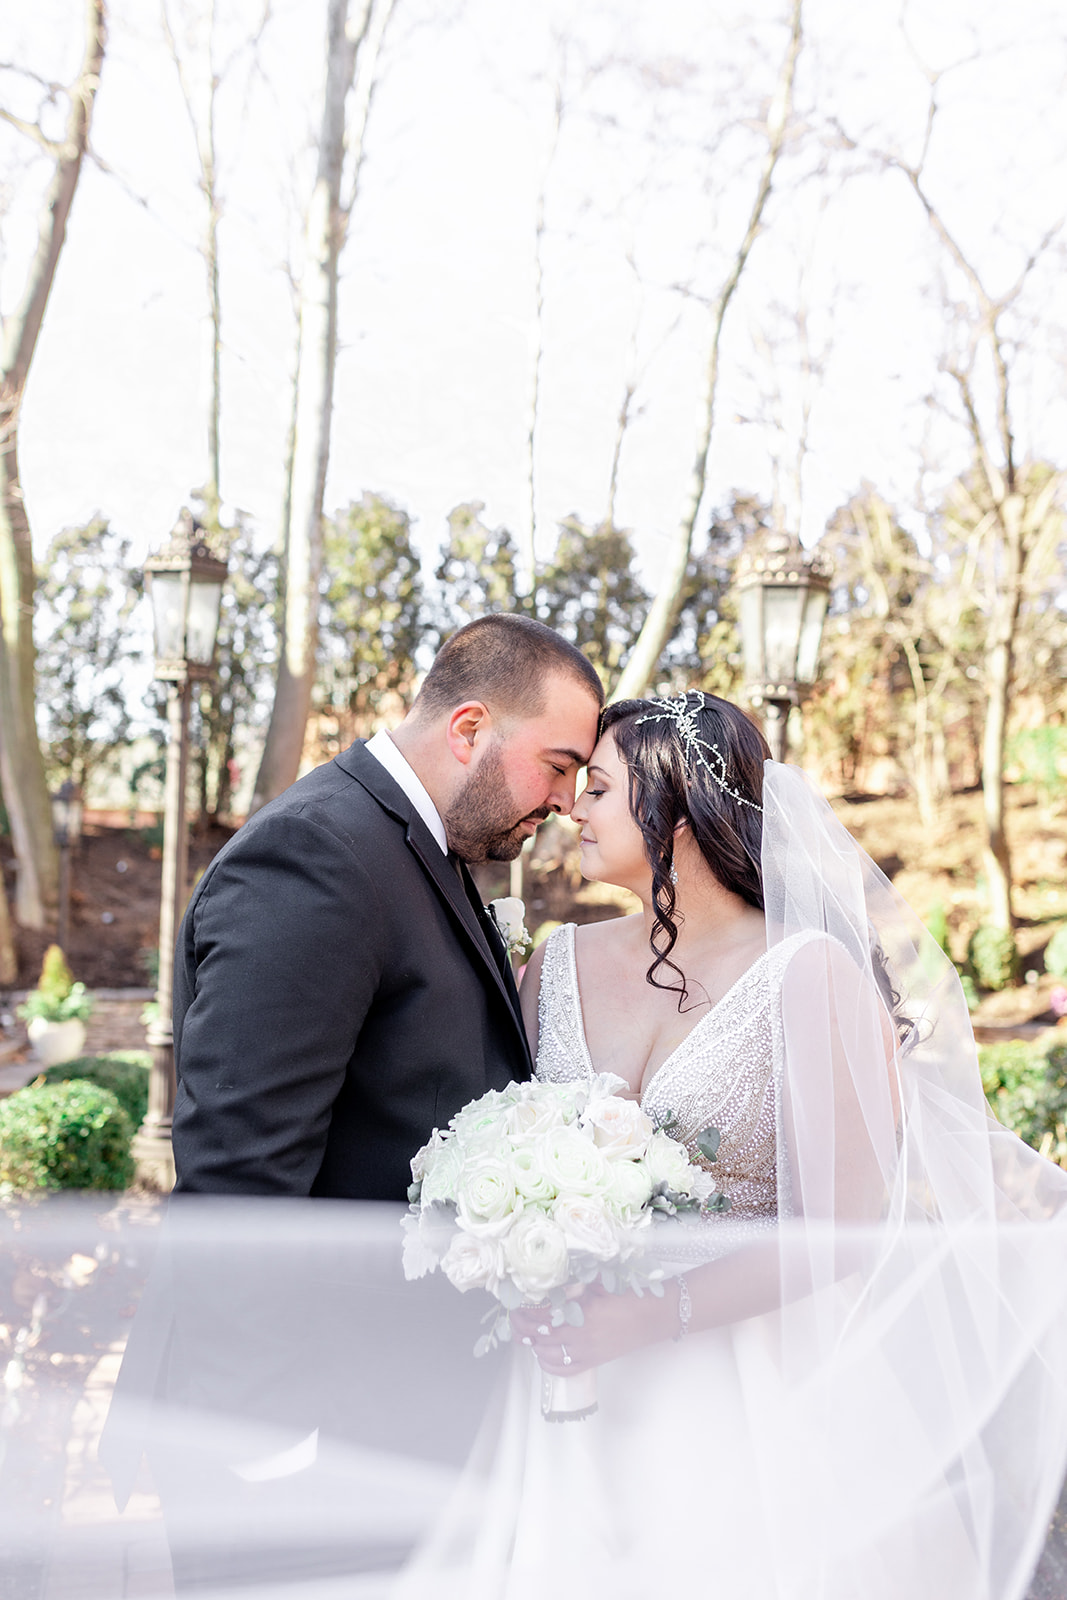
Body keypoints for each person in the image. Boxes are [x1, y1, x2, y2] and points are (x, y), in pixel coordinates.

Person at [393, 690, 1067, 1600]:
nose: (571, 808)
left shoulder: (806, 975)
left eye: (598, 787)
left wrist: (653, 1314)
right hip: (559, 1393)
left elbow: (841, 1231)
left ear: (672, 812)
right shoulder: (552, 964)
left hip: (754, 1404)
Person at [170, 612, 603, 1199]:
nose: (563, 800)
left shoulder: (424, 842)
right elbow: (239, 1184)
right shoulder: (311, 857)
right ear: (469, 729)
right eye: (558, 766)